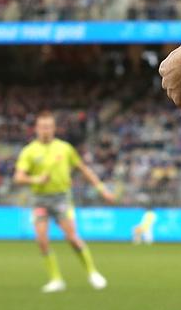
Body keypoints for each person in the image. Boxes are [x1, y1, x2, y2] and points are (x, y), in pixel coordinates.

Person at [14, 110, 114, 292]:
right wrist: (35, 180)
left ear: (54, 129)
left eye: (49, 127)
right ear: (36, 129)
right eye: (42, 127)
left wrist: (102, 189)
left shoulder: (64, 148)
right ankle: (56, 279)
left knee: (72, 238)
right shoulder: (29, 151)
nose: (46, 130)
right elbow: (18, 177)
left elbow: (83, 169)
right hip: (40, 200)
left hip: (61, 198)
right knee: (42, 240)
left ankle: (92, 273)